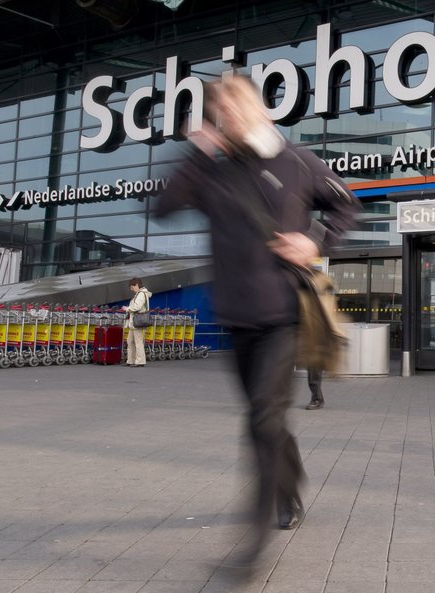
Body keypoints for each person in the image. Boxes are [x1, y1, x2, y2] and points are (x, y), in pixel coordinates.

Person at [154, 74, 359, 568]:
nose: (232, 112)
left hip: (284, 316)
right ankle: (290, 485)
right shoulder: (215, 171)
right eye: (223, 106)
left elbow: (346, 206)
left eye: (239, 101)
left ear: (261, 106)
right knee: (265, 419)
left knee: (261, 420)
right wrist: (199, 151)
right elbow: (161, 208)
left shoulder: (296, 161)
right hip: (236, 317)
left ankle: (254, 545)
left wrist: (315, 241)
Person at [122, 278, 151, 367]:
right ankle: (131, 360)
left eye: (132, 287)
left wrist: (127, 308)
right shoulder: (139, 294)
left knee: (137, 342)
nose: (131, 289)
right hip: (134, 322)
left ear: (137, 285)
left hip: (136, 321)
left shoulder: (141, 294)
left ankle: (140, 361)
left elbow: (137, 307)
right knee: (130, 341)